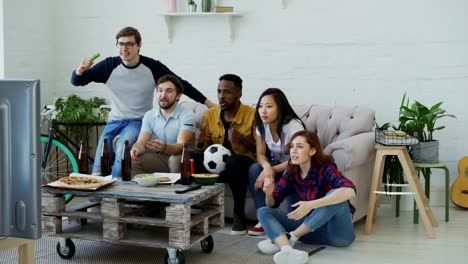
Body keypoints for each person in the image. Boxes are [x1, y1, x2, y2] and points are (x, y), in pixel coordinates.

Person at [70, 26, 215, 178]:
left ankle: (117, 193)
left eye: (129, 44)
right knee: (99, 165)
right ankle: (98, 196)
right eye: (120, 44)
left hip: (138, 120)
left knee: (122, 151)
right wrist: (80, 70)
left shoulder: (151, 67)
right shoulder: (109, 66)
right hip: (114, 120)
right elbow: (77, 81)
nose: (124, 48)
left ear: (139, 45)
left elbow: (180, 84)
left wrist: (207, 103)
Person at [257, 130, 356, 264]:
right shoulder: (292, 172)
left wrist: (310, 204)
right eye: (292, 146)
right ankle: (286, 250)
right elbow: (272, 204)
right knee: (263, 211)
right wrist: (269, 193)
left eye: (300, 146)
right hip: (309, 232)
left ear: (312, 151)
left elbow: (350, 190)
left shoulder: (326, 168)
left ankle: (290, 238)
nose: (293, 151)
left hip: (337, 234)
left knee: (335, 195)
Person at [193, 74, 256, 235]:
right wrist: (200, 141)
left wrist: (241, 139)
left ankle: (238, 214)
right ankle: (198, 212)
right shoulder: (210, 115)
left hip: (241, 165)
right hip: (218, 167)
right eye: (219, 91)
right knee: (192, 159)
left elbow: (263, 151)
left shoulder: (252, 115)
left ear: (239, 94)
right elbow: (203, 150)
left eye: (227, 92)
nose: (221, 96)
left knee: (235, 162)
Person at [247, 88, 305, 236]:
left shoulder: (293, 126)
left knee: (290, 172)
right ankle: (264, 217)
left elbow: (297, 159)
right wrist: (267, 167)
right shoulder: (262, 125)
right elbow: (260, 154)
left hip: (298, 165)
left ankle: (293, 220)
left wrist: (271, 170)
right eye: (260, 106)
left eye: (269, 106)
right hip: (280, 163)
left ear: (280, 108)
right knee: (255, 169)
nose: (263, 111)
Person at [130, 75, 195, 175]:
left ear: (178, 95)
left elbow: (181, 147)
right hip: (160, 157)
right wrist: (136, 149)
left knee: (175, 160)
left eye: (169, 91)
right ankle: (142, 190)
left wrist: (164, 147)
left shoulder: (187, 115)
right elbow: (141, 142)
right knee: (134, 160)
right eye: (160, 90)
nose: (163, 95)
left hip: (183, 158)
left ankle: (176, 190)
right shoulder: (149, 115)